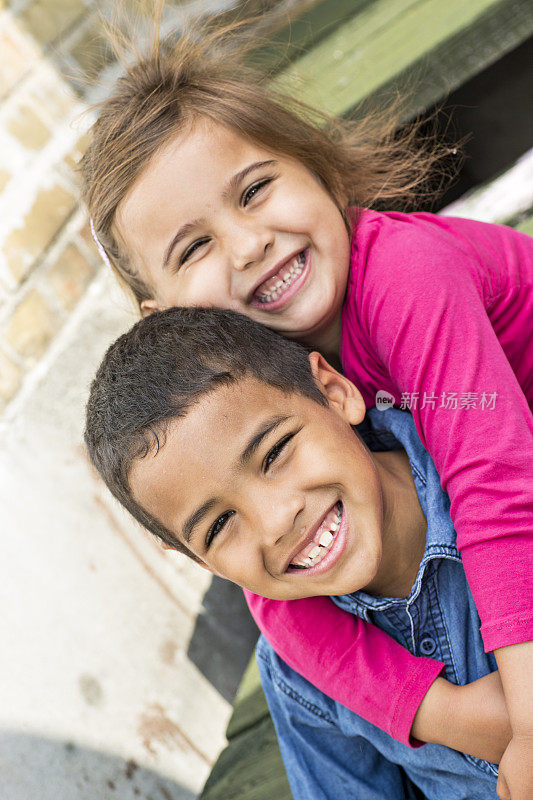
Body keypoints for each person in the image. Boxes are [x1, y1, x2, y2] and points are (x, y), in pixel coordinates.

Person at [82, 19, 533, 798]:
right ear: (165, 317)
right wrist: (453, 714)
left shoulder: (405, 276)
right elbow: (279, 612)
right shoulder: (265, 379)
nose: (249, 244)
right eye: (193, 248)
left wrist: (526, 722)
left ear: (318, 169)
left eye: (255, 190)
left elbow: (494, 482)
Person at [85, 306, 513, 799]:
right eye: (220, 525)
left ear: (334, 394)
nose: (276, 522)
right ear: (200, 563)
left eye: (273, 453)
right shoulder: (296, 678)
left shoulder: (502, 471)